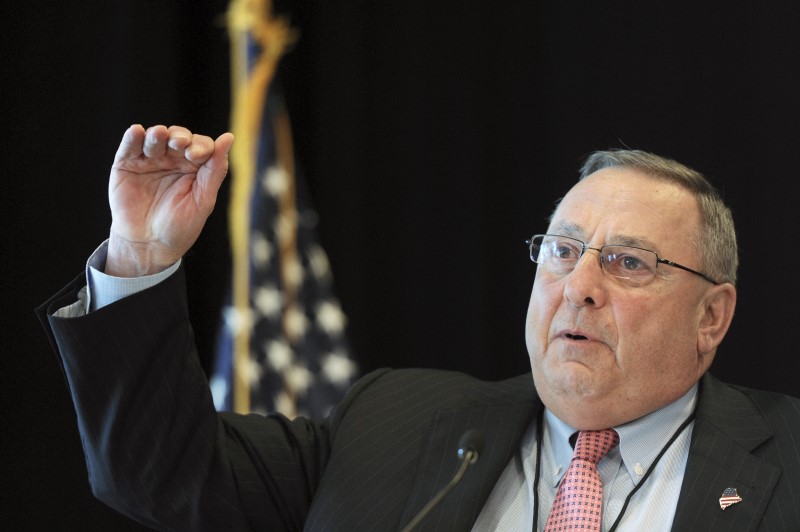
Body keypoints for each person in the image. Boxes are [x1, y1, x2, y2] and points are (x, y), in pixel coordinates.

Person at [38, 124, 800, 531]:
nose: (580, 287)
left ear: (712, 317)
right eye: (563, 251)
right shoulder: (393, 426)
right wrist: (140, 256)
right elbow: (156, 474)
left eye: (629, 263)